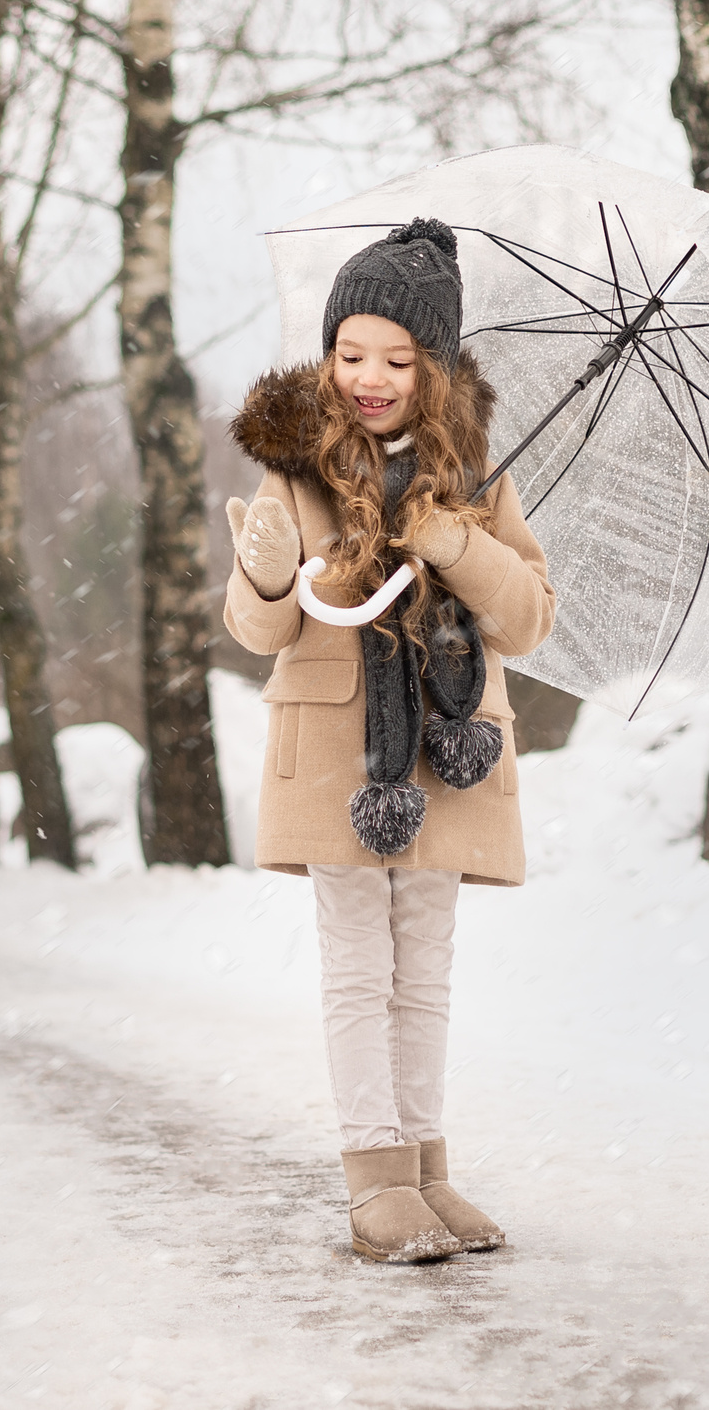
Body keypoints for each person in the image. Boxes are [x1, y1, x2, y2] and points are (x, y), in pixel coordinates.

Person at [222, 219, 556, 1264]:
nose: (369, 377)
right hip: (339, 754)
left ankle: (426, 1172)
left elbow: (526, 620)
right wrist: (271, 571)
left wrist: (455, 540)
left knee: (426, 974)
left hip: (444, 752)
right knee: (360, 970)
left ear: (438, 368)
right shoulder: (297, 470)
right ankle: (374, 1179)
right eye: (349, 353)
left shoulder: (478, 479)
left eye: (397, 360)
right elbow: (261, 631)